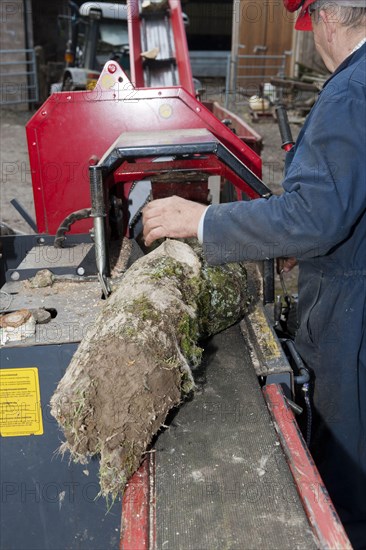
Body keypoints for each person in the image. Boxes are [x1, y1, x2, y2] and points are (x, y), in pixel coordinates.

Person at [143, 0, 366, 546]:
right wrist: (307, 246)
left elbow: (315, 214)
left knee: (349, 476)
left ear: (328, 19)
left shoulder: (350, 91)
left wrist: (203, 221)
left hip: (353, 315)